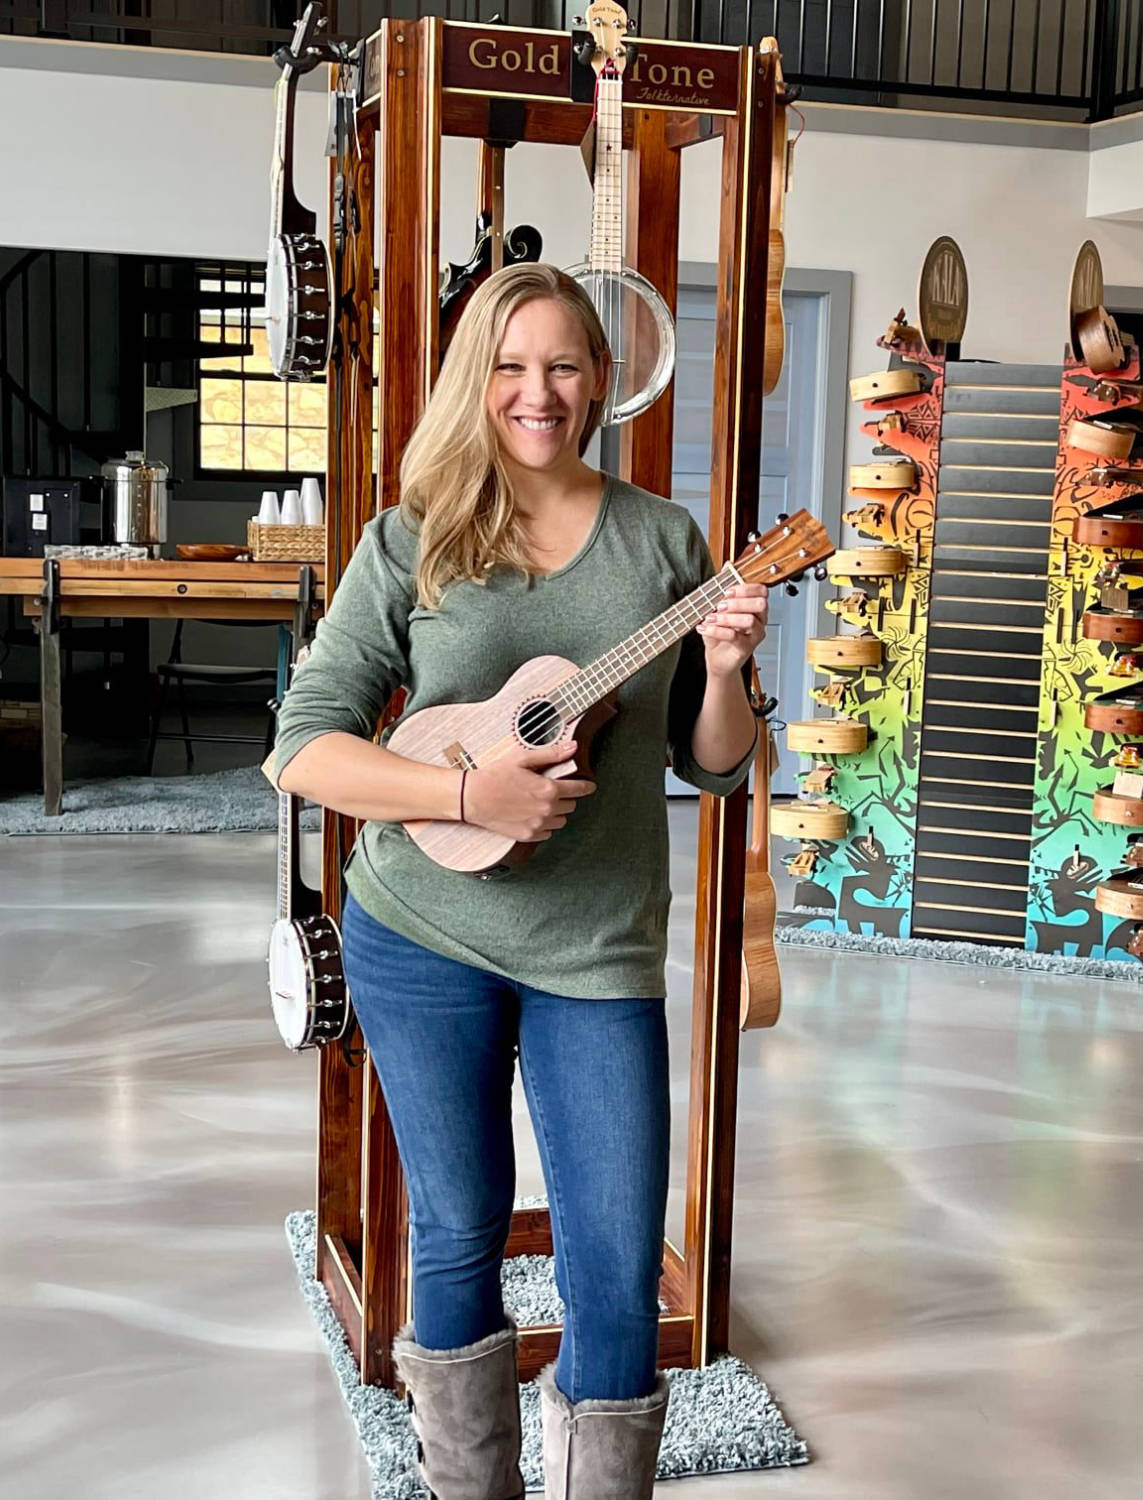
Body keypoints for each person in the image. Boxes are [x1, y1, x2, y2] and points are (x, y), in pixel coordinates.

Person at [266, 262, 765, 1500]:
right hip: (418, 929)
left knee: (609, 1264)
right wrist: (461, 795)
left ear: (599, 380)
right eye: (509, 365)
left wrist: (721, 668)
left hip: (595, 945)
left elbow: (711, 768)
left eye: (561, 365)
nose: (536, 392)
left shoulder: (663, 542)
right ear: (473, 380)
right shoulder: (415, 540)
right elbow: (302, 744)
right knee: (456, 1230)